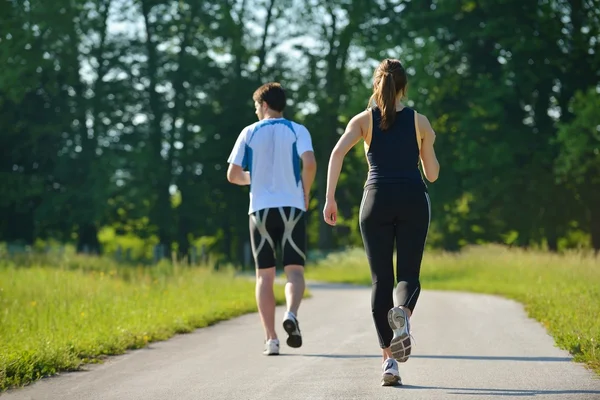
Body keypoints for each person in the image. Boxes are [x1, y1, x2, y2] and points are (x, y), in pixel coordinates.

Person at [322, 59, 439, 386]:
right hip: (413, 199)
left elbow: (336, 154)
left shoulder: (363, 120)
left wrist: (330, 199)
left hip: (375, 201)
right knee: (408, 276)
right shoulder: (420, 121)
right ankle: (403, 315)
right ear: (404, 87)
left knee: (380, 281)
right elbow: (432, 174)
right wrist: (427, 142)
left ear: (377, 84)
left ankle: (389, 364)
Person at [226, 82, 317, 356]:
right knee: (295, 272)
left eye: (256, 106)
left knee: (264, 277)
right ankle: (290, 313)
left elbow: (232, 174)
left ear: (264, 105)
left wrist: (253, 179)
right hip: (291, 207)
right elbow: (310, 163)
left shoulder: (249, 132)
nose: (256, 111)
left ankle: (272, 340)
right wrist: (305, 192)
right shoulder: (297, 129)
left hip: (261, 210)